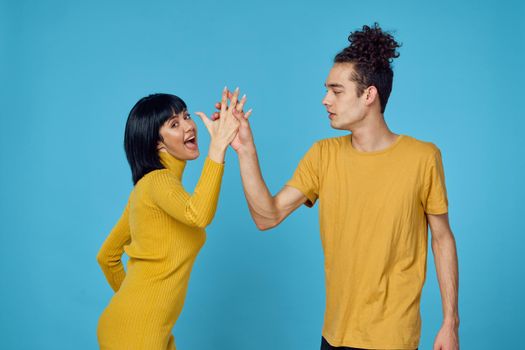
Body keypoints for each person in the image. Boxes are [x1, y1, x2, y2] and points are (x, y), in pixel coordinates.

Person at [222, 24, 460, 349]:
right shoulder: (323, 155)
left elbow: (442, 238)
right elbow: (267, 216)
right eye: (326, 90)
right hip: (333, 335)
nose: (325, 100)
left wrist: (450, 323)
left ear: (369, 95)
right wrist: (245, 149)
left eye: (336, 90)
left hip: (392, 338)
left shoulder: (423, 157)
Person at [96, 88, 247, 349]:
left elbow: (106, 255)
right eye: (174, 124)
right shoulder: (157, 182)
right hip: (138, 331)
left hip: (148, 327)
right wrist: (218, 148)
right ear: (158, 143)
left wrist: (140, 309)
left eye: (187, 116)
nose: (189, 126)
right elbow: (197, 214)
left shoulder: (150, 189)